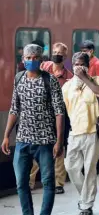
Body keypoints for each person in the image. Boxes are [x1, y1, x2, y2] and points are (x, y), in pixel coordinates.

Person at [1, 44, 65, 215]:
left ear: (40, 59)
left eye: (34, 57)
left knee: (47, 182)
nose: (30, 60)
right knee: (21, 182)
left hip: (45, 141)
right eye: (27, 58)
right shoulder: (19, 78)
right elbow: (14, 109)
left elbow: (59, 112)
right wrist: (6, 135)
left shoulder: (50, 80)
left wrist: (59, 140)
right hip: (22, 140)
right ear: (23, 60)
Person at [62, 52, 99, 215]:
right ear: (72, 66)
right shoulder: (67, 87)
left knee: (89, 170)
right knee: (71, 167)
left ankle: (86, 204)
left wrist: (86, 79)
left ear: (88, 66)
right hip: (74, 133)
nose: (78, 67)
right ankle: (84, 196)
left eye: (82, 64)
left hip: (92, 133)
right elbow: (64, 110)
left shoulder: (96, 81)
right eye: (75, 64)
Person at [29, 43, 73, 194]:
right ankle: (29, 181)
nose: (56, 54)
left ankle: (58, 182)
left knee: (59, 148)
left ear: (65, 56)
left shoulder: (69, 77)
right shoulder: (43, 69)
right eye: (54, 52)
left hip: (60, 117)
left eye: (60, 53)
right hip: (41, 116)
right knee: (36, 149)